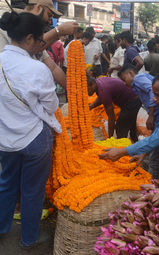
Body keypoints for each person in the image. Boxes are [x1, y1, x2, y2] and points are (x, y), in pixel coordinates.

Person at [0, 11, 61, 248]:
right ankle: (28, 239)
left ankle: (3, 228)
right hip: (34, 140)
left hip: (4, 140)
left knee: (6, 184)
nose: (41, 46)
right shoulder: (37, 69)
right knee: (32, 191)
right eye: (40, 41)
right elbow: (52, 105)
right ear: (29, 39)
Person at [0, 0, 79, 91]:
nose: (50, 22)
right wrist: (58, 31)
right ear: (38, 8)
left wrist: (75, 93)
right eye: (49, 15)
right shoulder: (7, 27)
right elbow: (7, 69)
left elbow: (53, 68)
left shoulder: (35, 39)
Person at [118, 64, 159, 179]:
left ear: (131, 74)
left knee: (155, 156)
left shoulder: (138, 79)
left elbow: (152, 90)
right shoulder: (139, 81)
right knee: (158, 154)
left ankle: (153, 187)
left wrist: (150, 115)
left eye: (124, 79)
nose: (124, 83)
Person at [87, 75, 142, 142]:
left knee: (120, 127)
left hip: (132, 102)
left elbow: (111, 116)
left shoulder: (103, 90)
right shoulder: (98, 82)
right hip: (132, 100)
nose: (87, 92)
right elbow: (101, 97)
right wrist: (92, 106)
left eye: (87, 89)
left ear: (92, 84)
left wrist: (110, 139)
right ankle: (135, 144)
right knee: (131, 124)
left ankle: (121, 147)